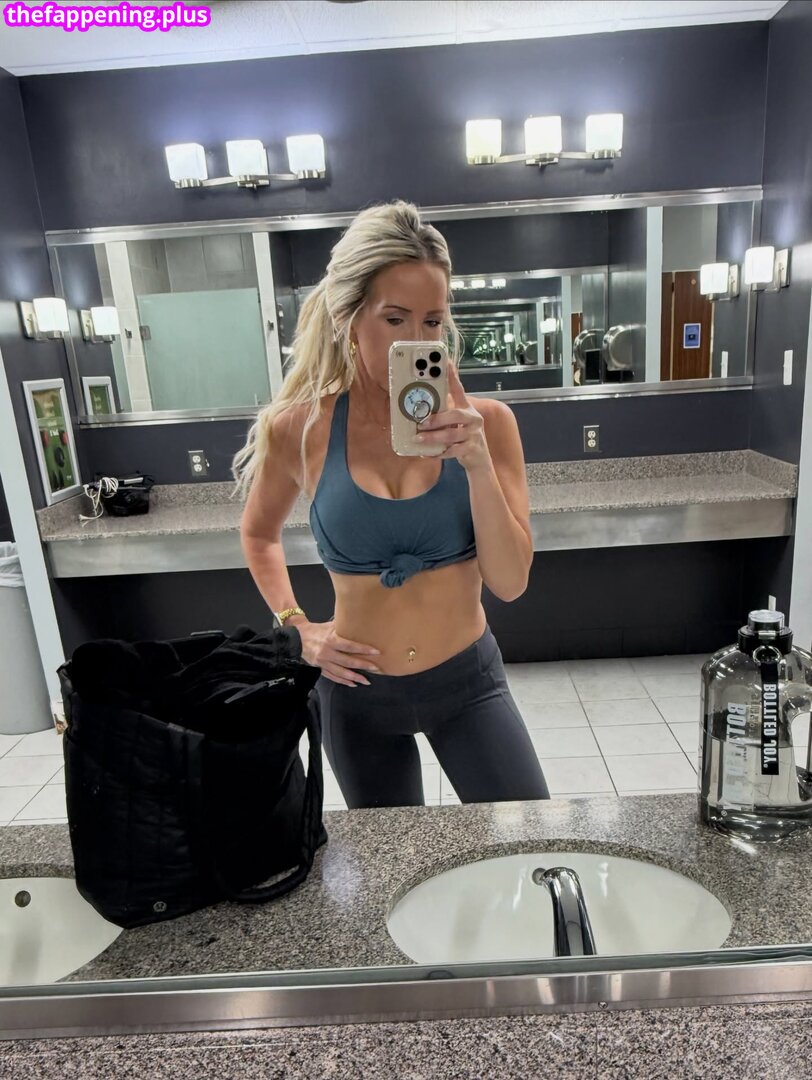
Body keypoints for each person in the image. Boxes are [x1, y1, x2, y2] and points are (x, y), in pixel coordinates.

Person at [233, 200, 550, 810]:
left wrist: (477, 463)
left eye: (432, 322)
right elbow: (259, 535)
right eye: (395, 318)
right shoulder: (300, 428)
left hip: (468, 684)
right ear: (350, 318)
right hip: (357, 695)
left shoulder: (489, 425)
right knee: (391, 865)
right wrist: (297, 628)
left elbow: (510, 583)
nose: (417, 342)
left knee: (529, 839)